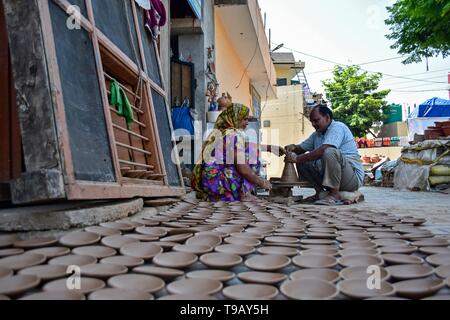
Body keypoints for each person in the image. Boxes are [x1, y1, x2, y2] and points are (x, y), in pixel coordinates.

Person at [192, 104, 279, 202]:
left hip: (208, 181)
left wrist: (270, 148)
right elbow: (243, 169)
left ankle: (228, 195)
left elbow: (245, 146)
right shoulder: (233, 136)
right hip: (216, 183)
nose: (247, 123)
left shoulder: (223, 132)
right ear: (235, 119)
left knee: (251, 148)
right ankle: (244, 193)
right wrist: (262, 182)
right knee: (252, 152)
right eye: (244, 119)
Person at [283, 105, 364, 205]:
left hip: (351, 179)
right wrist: (293, 148)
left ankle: (334, 195)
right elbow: (301, 149)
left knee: (329, 151)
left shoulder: (337, 127)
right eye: (312, 121)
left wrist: (297, 158)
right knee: (303, 161)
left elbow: (324, 150)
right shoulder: (317, 134)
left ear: (327, 118)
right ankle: (320, 193)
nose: (313, 124)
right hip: (334, 177)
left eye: (316, 120)